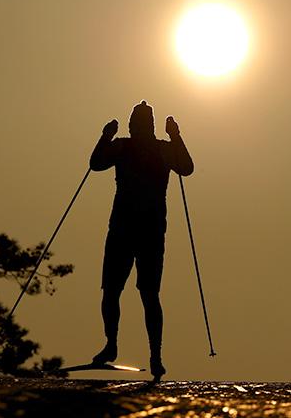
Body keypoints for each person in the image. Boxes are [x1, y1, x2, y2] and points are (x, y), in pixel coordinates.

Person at [89, 100, 193, 380]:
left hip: (146, 230)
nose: (138, 128)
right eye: (136, 124)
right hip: (126, 228)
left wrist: (176, 137)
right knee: (112, 290)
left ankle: (155, 355)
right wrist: (105, 137)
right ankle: (112, 345)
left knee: (147, 294)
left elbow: (187, 167)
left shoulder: (160, 149)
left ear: (149, 126)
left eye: (142, 124)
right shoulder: (127, 147)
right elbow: (95, 164)